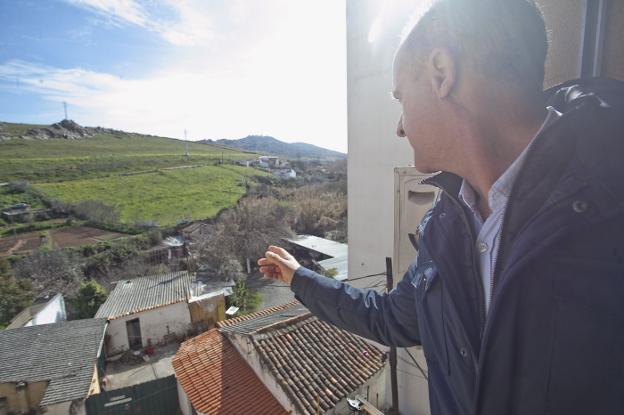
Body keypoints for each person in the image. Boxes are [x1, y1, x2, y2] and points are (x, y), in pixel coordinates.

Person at [258, 0, 624, 414]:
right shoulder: (444, 227)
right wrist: (299, 278)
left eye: (401, 97)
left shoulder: (610, 210)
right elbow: (387, 318)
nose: (399, 125)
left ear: (441, 73)